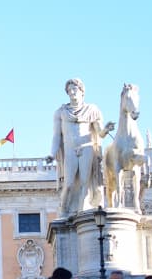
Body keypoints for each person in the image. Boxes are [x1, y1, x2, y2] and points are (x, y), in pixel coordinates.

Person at [47, 78, 115, 216]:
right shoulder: (61, 112)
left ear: (82, 91)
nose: (72, 92)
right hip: (70, 150)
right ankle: (64, 209)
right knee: (69, 183)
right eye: (69, 90)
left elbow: (100, 133)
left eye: (74, 89)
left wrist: (106, 129)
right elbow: (56, 136)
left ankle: (81, 211)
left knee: (85, 181)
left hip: (87, 148)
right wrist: (52, 154)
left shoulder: (92, 110)